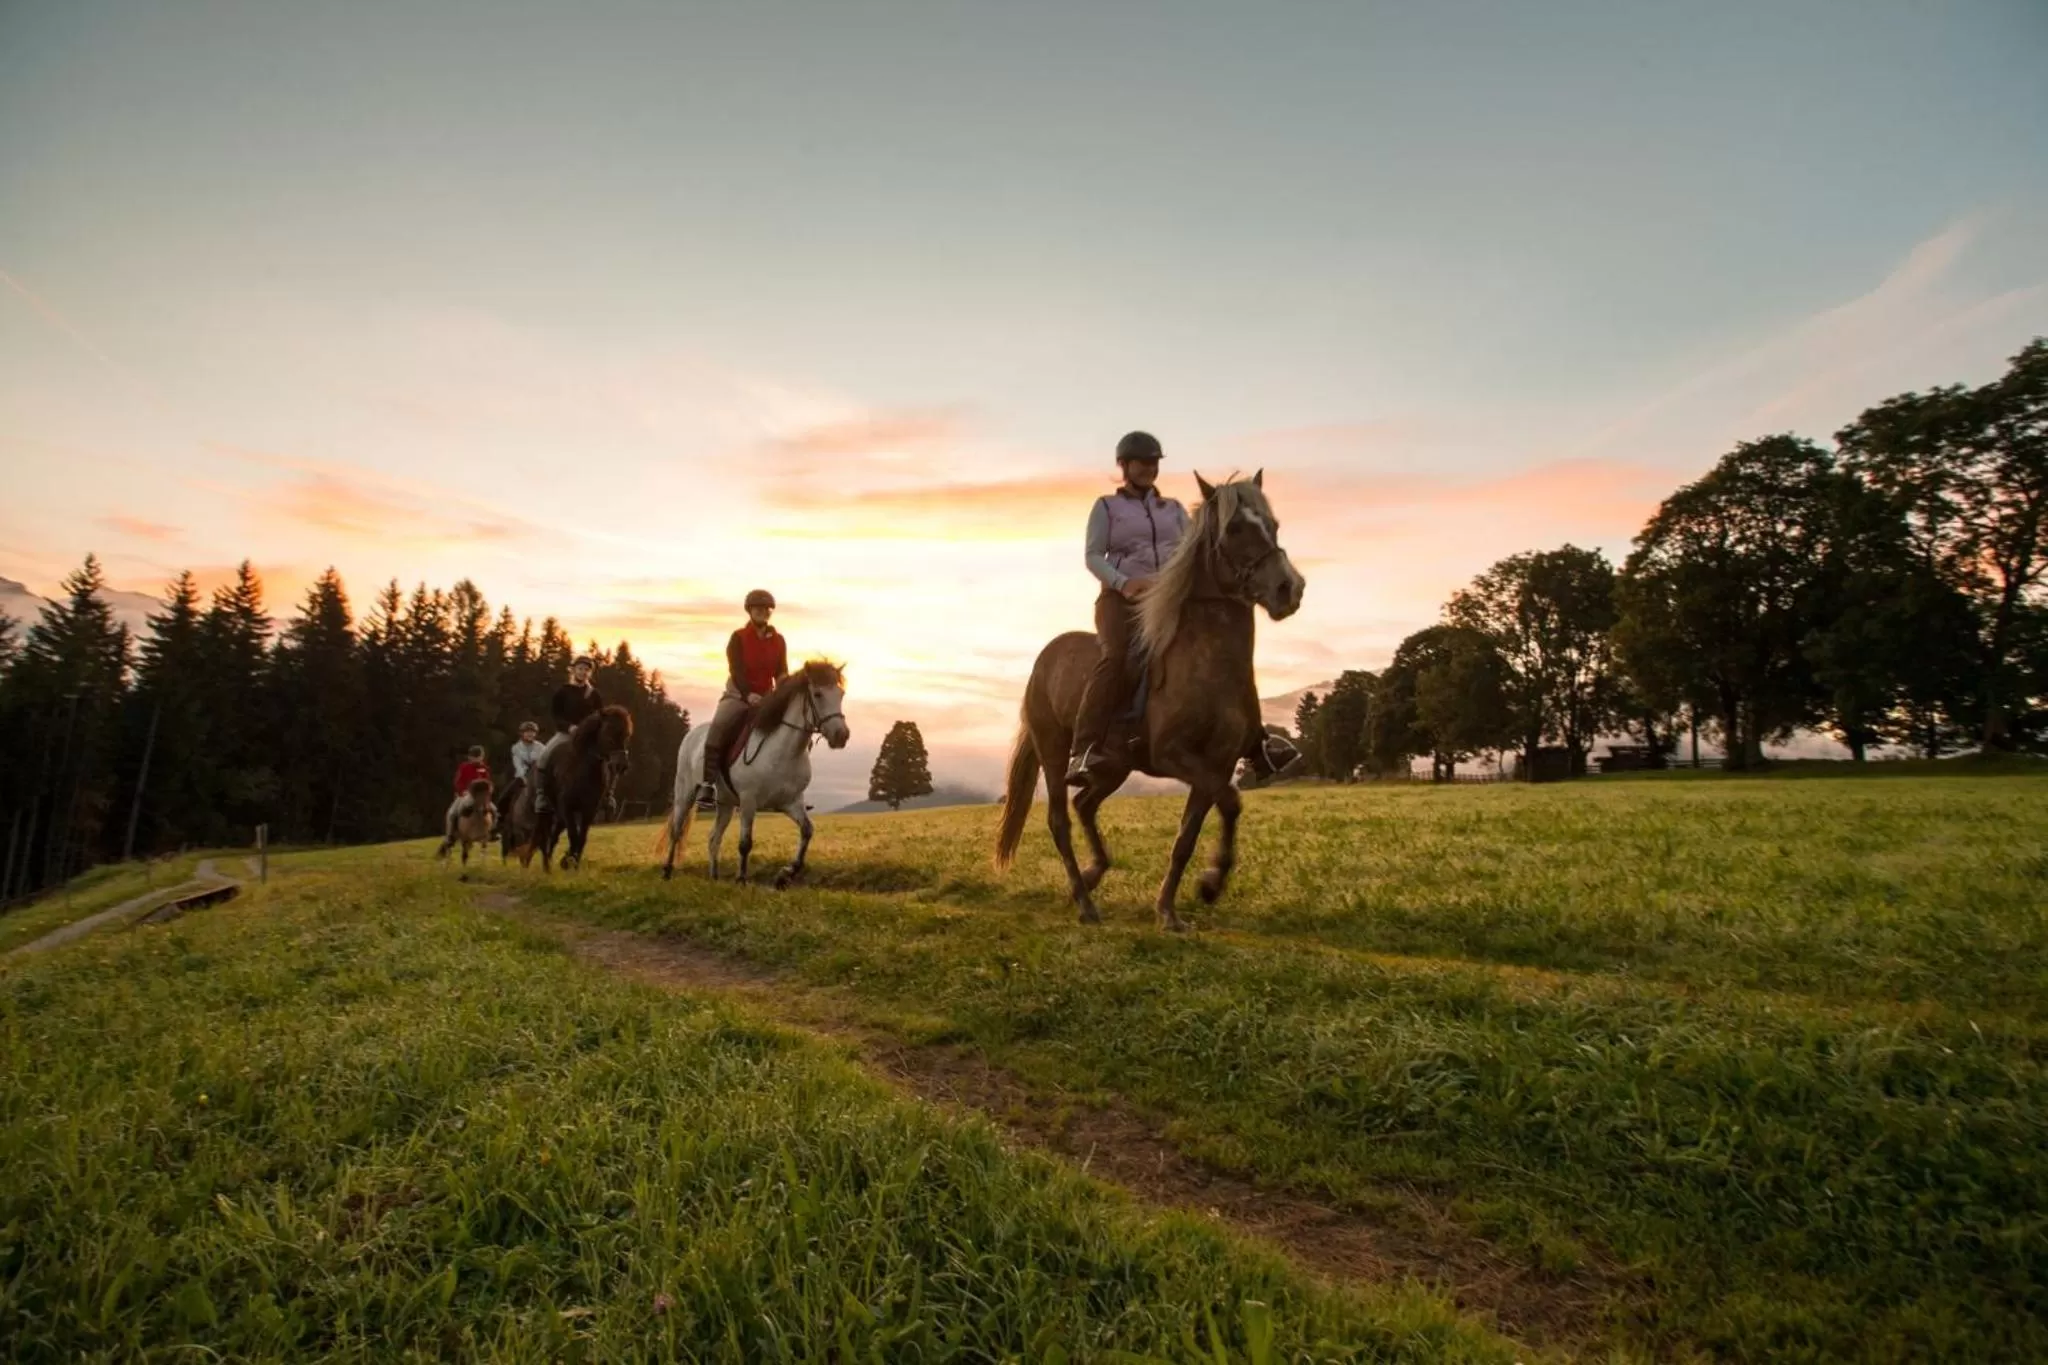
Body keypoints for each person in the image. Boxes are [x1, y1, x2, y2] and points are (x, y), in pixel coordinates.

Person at [1067, 430, 1300, 787]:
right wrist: (1123, 582)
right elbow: (1093, 556)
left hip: (1169, 598)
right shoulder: (1106, 508)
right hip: (1121, 600)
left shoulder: (1173, 510)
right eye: (1142, 462)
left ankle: (1258, 744)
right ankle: (1083, 750)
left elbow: (1196, 551)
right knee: (1116, 658)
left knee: (1228, 656)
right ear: (1125, 466)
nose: (1148, 468)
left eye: (1154, 462)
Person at [697, 589, 790, 803]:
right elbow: (736, 670)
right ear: (750, 611)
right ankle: (708, 784)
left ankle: (785, 786)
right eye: (758, 608)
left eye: (766, 609)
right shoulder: (738, 637)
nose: (763, 612)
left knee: (790, 728)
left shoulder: (779, 641)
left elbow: (781, 671)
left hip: (766, 698)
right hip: (737, 695)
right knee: (718, 727)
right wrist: (748, 694)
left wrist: (785, 690)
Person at [532, 656, 604, 815]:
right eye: (580, 669)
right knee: (544, 757)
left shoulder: (594, 695)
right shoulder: (563, 691)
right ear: (573, 670)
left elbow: (600, 716)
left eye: (586, 670)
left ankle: (607, 797)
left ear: (590, 673)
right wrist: (569, 727)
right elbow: (556, 715)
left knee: (606, 759)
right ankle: (541, 796)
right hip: (565, 734)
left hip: (587, 738)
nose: (583, 672)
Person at [439, 745, 495, 852]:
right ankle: (450, 836)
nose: (477, 759)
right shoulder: (464, 767)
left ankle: (492, 832)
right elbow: (458, 781)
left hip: (481, 796)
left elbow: (488, 783)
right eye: (474, 757)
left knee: (495, 811)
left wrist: (488, 793)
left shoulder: (485, 768)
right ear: (470, 758)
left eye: (479, 757)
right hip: (466, 794)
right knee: (451, 813)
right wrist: (462, 791)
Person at [503, 720, 544, 810]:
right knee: (509, 791)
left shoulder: (541, 747)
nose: (530, 734)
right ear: (522, 734)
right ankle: (502, 812)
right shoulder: (516, 748)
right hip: (523, 775)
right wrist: (522, 776)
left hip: (538, 775)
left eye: (532, 732)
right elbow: (517, 763)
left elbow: (543, 761)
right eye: (527, 732)